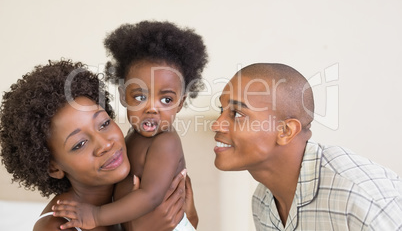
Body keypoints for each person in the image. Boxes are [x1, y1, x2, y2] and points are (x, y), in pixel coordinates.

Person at [0, 59, 196, 231]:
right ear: (53, 166)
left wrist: (190, 219)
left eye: (104, 124)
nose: (106, 144)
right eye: (80, 144)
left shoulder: (131, 196)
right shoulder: (56, 227)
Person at [53, 21, 208, 230]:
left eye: (166, 100)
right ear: (123, 96)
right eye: (140, 96)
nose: (152, 108)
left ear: (180, 104)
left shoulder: (166, 142)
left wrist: (97, 215)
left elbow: (151, 196)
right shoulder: (132, 136)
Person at [212, 63, 402, 230]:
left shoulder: (362, 197)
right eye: (222, 110)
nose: (216, 124)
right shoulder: (262, 202)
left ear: (286, 131)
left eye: (237, 114)